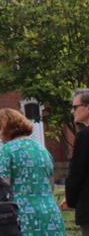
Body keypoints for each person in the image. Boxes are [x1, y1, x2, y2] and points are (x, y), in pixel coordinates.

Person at [0, 108, 65, 236]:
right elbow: (51, 186)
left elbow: (3, 189)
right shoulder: (42, 149)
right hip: (51, 212)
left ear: (4, 128)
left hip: (23, 215)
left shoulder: (6, 151)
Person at [61, 88, 89, 235]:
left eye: (75, 107)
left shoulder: (84, 136)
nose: (72, 111)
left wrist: (70, 200)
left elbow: (76, 173)